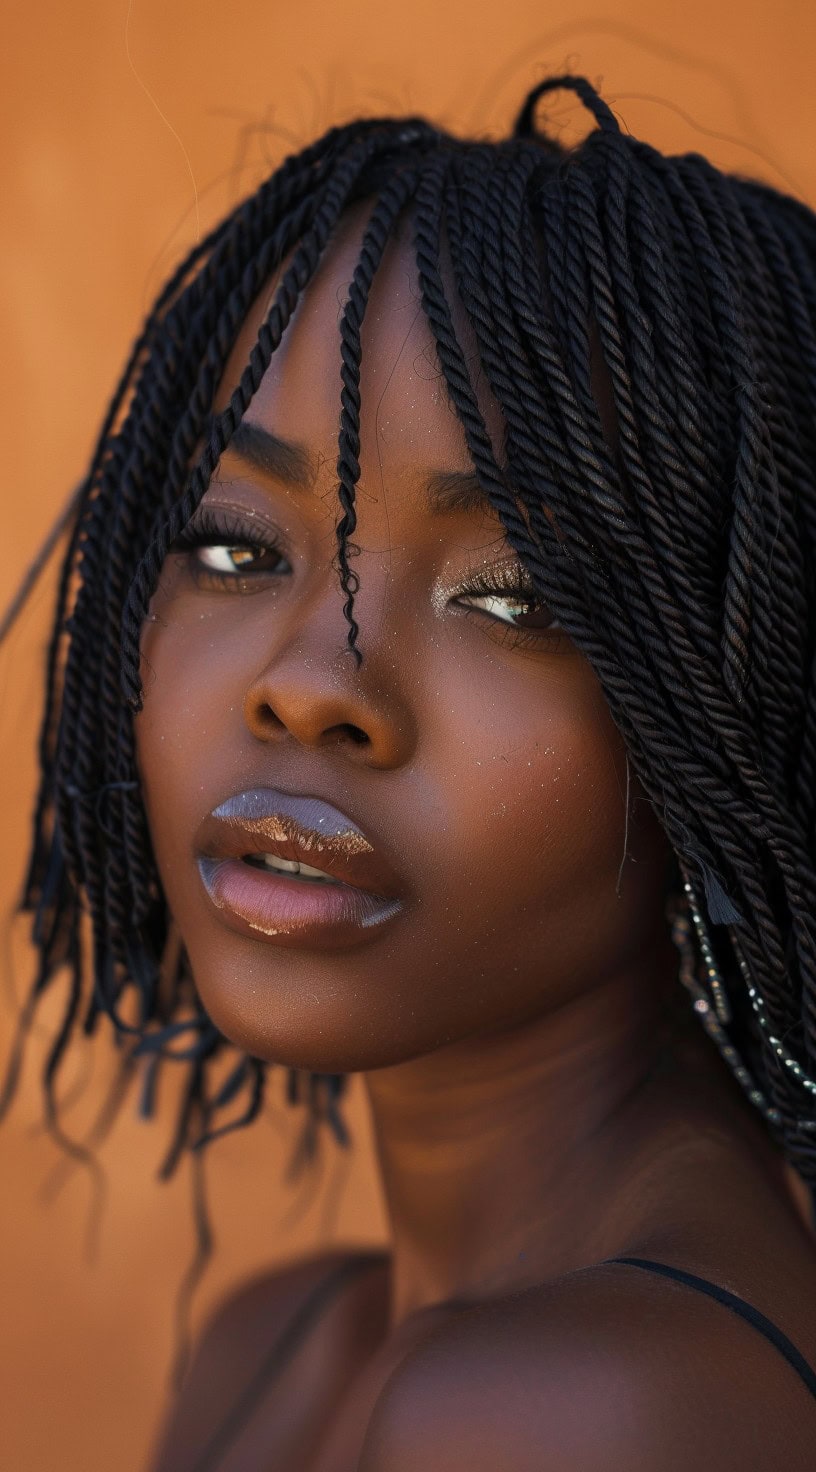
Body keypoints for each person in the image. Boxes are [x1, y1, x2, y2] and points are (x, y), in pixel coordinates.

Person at [5, 71, 816, 1470]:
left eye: (514, 598)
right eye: (234, 548)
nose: (312, 684)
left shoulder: (583, 1412)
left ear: (733, 698)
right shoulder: (278, 1342)